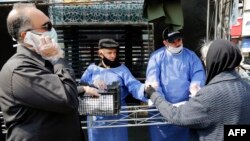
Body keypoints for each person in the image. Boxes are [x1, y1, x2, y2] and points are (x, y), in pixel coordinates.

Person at [0, 3, 98, 141]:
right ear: (26, 36)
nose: (52, 31)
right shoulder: (19, 69)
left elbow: (50, 91)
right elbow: (67, 100)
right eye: (47, 27)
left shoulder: (44, 61)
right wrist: (57, 58)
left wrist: (82, 89)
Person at [145, 39, 250, 141]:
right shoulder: (246, 87)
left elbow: (176, 116)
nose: (204, 63)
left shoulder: (209, 95)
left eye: (205, 59)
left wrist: (153, 95)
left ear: (213, 60)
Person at [80, 38, 147, 141]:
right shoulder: (92, 69)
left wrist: (145, 90)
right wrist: (92, 86)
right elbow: (83, 86)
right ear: (100, 53)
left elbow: (134, 85)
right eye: (109, 53)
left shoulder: (122, 69)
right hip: (97, 116)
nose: (113, 56)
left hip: (118, 115)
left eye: (115, 52)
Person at [145, 28, 206, 141]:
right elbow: (153, 81)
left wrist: (195, 87)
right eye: (173, 41)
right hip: (160, 110)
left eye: (179, 40)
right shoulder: (156, 57)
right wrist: (163, 105)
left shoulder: (191, 56)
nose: (177, 43)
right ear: (165, 43)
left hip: (184, 109)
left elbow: (198, 74)